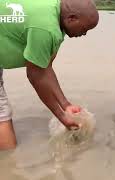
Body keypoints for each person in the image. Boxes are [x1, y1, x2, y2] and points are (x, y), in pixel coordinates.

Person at [0, 0, 99, 150]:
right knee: (3, 120)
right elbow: (35, 75)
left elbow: (45, 67)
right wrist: (62, 117)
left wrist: (66, 105)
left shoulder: (57, 19)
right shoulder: (46, 28)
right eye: (85, 29)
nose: (84, 34)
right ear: (71, 18)